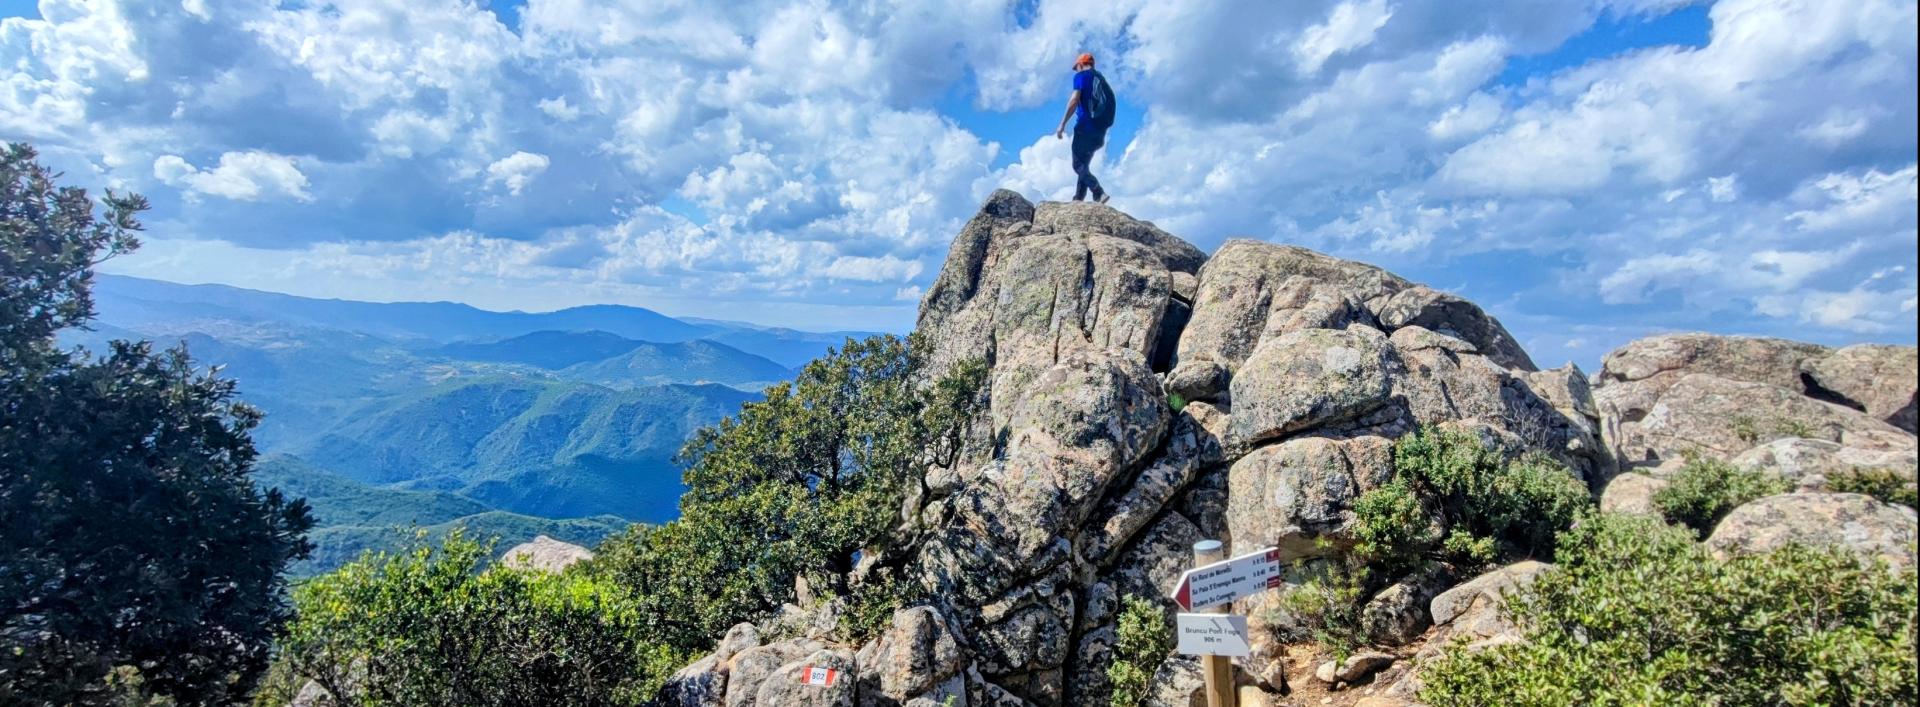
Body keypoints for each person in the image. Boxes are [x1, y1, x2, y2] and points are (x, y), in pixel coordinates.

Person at [1055, 52, 1112, 203]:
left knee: (1077, 164)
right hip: (1100, 132)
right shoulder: (1100, 79)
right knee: (1084, 165)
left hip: (1085, 127)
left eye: (1077, 67)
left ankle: (1098, 192)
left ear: (1081, 64)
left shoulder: (1081, 76)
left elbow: (1074, 99)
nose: (1077, 70)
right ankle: (1078, 199)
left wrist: (1063, 123)